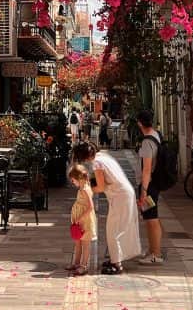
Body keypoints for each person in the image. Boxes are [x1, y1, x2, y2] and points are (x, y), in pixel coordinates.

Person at [71, 142, 141, 274]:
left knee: (113, 230)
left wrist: (86, 190)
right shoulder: (103, 156)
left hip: (120, 196)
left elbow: (101, 187)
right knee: (117, 228)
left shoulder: (97, 164)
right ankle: (115, 258)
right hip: (123, 194)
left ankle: (117, 264)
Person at [135, 109, 164, 265]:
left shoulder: (147, 142)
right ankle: (153, 249)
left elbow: (146, 169)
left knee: (151, 218)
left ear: (140, 123)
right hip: (154, 184)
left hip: (149, 185)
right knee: (150, 217)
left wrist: (143, 191)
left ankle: (156, 254)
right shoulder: (156, 135)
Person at [67, 164, 97, 275]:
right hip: (79, 220)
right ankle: (76, 263)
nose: (72, 182)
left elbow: (91, 207)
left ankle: (84, 265)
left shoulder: (85, 189)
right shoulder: (82, 188)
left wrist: (80, 218)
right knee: (78, 242)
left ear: (78, 178)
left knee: (85, 243)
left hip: (85, 220)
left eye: (73, 180)